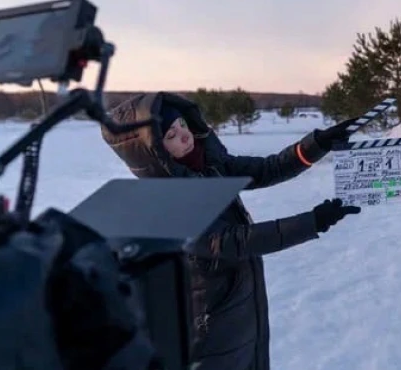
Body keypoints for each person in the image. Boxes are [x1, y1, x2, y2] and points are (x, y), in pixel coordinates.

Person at [100, 91, 362, 370]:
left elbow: (267, 169)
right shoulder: (164, 202)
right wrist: (314, 221)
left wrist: (317, 144)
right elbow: (231, 241)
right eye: (171, 136)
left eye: (183, 126)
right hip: (209, 319)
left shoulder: (210, 166)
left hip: (240, 299)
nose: (185, 136)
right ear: (153, 151)